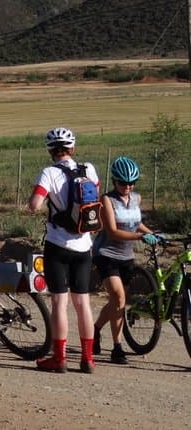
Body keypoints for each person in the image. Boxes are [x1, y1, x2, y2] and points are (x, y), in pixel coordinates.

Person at [28, 126, 100, 373]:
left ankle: (59, 359)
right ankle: (88, 359)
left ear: (50, 150)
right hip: (84, 245)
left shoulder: (49, 172)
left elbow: (35, 205)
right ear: (73, 148)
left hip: (57, 244)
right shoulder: (89, 169)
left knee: (60, 302)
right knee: (83, 303)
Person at [91, 156, 159, 365]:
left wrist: (154, 234)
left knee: (117, 302)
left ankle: (95, 329)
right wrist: (140, 237)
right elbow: (112, 231)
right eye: (123, 183)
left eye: (132, 183)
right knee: (119, 298)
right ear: (114, 181)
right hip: (106, 254)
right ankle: (117, 347)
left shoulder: (136, 198)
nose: (127, 187)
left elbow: (136, 223)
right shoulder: (107, 200)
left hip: (127, 256)